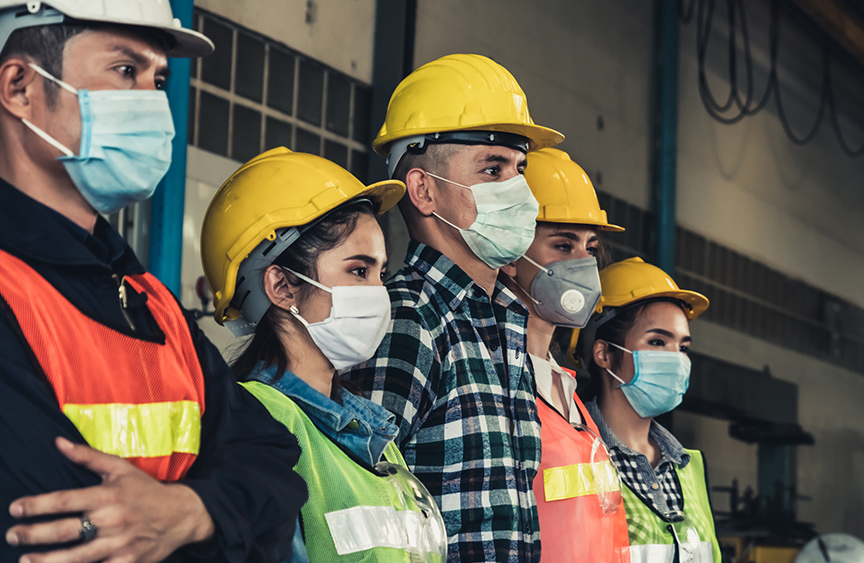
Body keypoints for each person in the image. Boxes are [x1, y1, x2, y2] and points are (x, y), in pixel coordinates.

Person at [0, 3, 306, 562]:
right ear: (19, 87)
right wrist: (221, 517)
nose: (153, 101)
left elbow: (276, 471)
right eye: (124, 70)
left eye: (158, 79)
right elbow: (47, 533)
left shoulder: (151, 300)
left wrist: (189, 513)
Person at [342, 53, 563, 563]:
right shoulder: (406, 320)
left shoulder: (506, 320)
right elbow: (374, 507)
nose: (520, 191)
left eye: (520, 170)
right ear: (423, 189)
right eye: (493, 168)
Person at [200, 147, 447, 563]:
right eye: (357, 270)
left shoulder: (372, 434)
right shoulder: (260, 422)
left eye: (380, 273)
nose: (378, 293)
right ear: (281, 286)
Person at [499, 148, 630, 563]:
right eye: (562, 244)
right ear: (509, 256)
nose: (583, 264)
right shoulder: (493, 381)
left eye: (590, 247)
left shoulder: (567, 389)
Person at [574, 257, 722, 563]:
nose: (676, 360)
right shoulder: (574, 459)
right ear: (603, 354)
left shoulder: (688, 467)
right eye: (657, 341)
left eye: (683, 348)